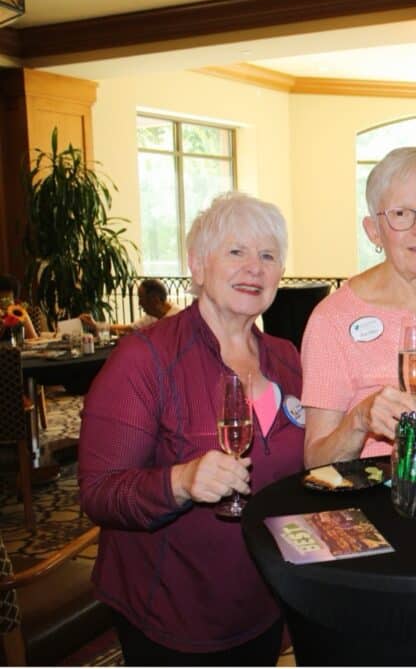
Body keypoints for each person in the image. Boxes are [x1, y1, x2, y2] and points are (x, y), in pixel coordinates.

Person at [78, 192, 304, 665]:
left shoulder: (287, 357)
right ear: (197, 266)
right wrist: (179, 481)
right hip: (172, 611)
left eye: (268, 256)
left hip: (263, 597)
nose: (254, 268)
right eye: (236, 252)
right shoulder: (146, 358)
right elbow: (99, 491)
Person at [301, 146, 416, 467]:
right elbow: (315, 461)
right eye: (401, 214)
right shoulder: (333, 319)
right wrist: (359, 420)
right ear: (373, 231)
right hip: (379, 506)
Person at [80, 278, 181, 335]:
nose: (139, 304)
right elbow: (129, 329)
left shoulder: (178, 319)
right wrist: (95, 325)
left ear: (155, 300)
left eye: (141, 299)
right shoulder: (153, 314)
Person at [0, 274, 40, 339]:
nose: (2, 304)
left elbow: (33, 339)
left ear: (15, 300)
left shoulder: (19, 313)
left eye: (7, 299)